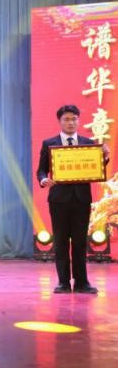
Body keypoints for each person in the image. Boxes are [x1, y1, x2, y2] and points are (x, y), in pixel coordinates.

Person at [36, 104, 110, 294]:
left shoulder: (88, 143)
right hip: (58, 200)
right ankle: (63, 282)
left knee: (80, 242)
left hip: (81, 199)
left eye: (74, 119)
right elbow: (41, 170)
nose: (70, 122)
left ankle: (82, 282)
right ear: (60, 121)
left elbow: (95, 167)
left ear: (78, 121)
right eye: (66, 119)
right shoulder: (49, 143)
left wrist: (104, 158)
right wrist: (43, 180)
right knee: (61, 242)